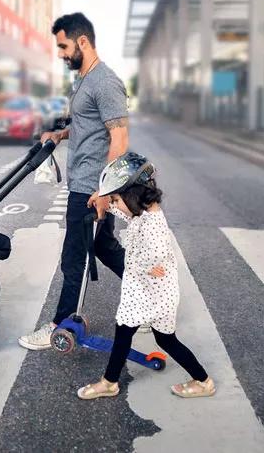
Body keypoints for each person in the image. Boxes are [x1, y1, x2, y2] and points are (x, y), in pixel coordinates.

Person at [19, 12, 129, 350]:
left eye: (64, 46)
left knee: (73, 258)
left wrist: (104, 192)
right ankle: (152, 297)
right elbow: (88, 126)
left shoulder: (105, 82)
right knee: (104, 248)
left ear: (83, 42)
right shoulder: (82, 79)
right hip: (85, 182)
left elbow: (119, 138)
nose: (61, 53)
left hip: (90, 188)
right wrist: (61, 134)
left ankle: (58, 324)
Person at [77, 153, 216, 400]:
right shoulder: (146, 213)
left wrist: (146, 266)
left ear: (133, 196)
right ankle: (203, 381)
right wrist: (105, 202)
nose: (116, 204)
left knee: (124, 334)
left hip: (146, 295)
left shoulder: (153, 231)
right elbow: (128, 214)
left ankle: (109, 382)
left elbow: (151, 256)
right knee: (165, 340)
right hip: (159, 294)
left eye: (118, 199)